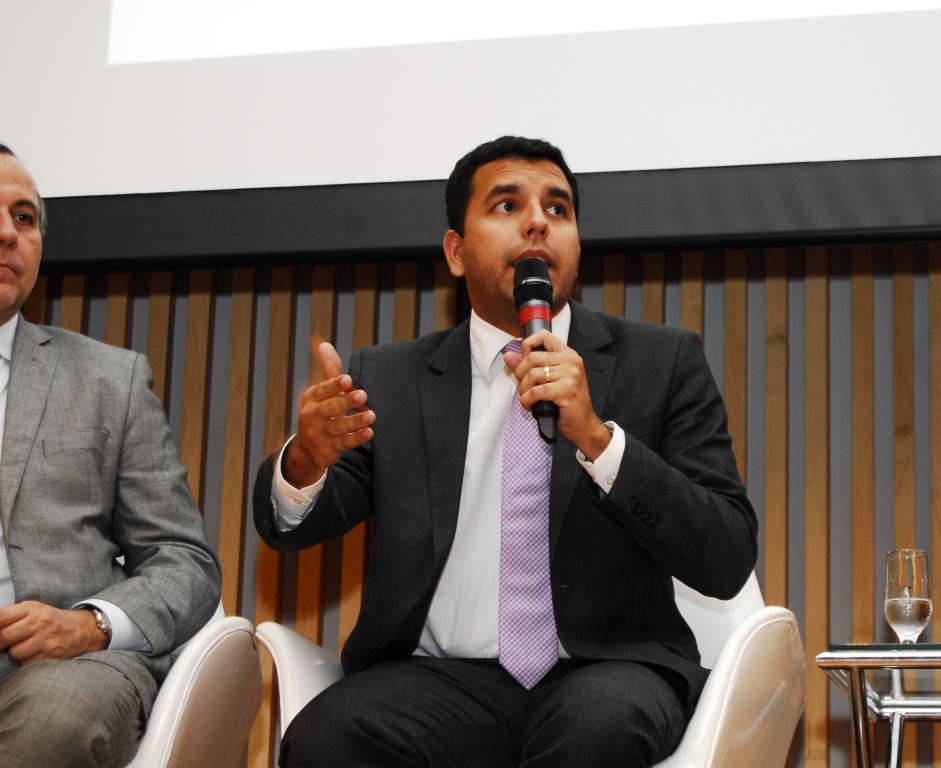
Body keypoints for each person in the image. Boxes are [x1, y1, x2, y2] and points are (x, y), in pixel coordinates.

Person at [253, 136, 757, 767]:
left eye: (558, 208)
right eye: (507, 205)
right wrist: (306, 459)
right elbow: (297, 527)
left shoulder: (662, 362)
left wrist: (598, 440)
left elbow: (726, 555)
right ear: (456, 252)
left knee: (595, 729)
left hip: (608, 669)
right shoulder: (391, 379)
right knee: (326, 739)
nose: (538, 221)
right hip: (440, 680)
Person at [0, 144, 221, 767]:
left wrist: (90, 625)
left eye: (23, 218)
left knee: (52, 726)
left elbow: (184, 562)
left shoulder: (108, 379)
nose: (8, 234)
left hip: (61, 669)